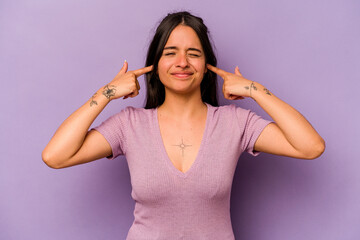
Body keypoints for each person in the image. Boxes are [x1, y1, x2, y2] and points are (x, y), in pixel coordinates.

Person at [42, 11, 325, 240]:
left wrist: (254, 89)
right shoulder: (129, 125)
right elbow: (55, 156)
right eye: (170, 52)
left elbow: (311, 147)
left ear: (207, 66)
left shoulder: (235, 122)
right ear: (155, 64)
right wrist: (106, 93)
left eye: (193, 53)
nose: (182, 62)